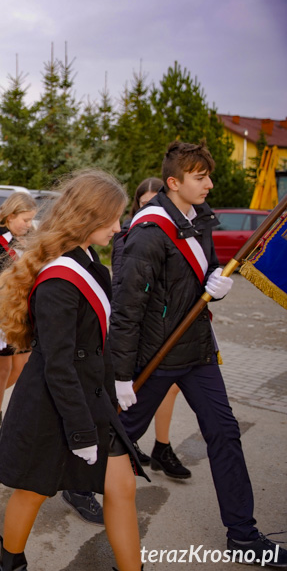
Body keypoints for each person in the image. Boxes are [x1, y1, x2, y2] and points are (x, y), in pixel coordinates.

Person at [111, 142, 287, 567]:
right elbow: (127, 306)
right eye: (199, 177)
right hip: (155, 355)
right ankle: (77, 485)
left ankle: (243, 537)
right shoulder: (149, 232)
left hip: (197, 352)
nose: (209, 184)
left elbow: (198, 283)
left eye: (208, 175)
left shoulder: (202, 221)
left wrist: (216, 287)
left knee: (225, 434)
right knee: (118, 436)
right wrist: (119, 374)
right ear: (174, 183)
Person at [0, 170, 145, 571]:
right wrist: (79, 429)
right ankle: (10, 564)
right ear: (88, 217)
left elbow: (97, 345)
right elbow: (58, 364)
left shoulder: (94, 266)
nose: (118, 226)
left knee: (122, 486)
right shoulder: (60, 278)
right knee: (34, 490)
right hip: (54, 403)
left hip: (89, 396)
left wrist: (116, 387)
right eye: (112, 218)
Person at [112, 177, 189, 479]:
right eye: (145, 203)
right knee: (137, 392)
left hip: (170, 325)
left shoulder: (180, 231)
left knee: (169, 389)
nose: (153, 208)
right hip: (141, 326)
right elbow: (125, 284)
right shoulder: (131, 235)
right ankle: (120, 445)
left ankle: (161, 445)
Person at [0, 192, 37, 442]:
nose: (29, 224)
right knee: (2, 370)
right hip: (1, 314)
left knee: (22, 368)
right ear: (11, 216)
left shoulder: (24, 239)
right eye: (25, 219)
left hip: (23, 313)